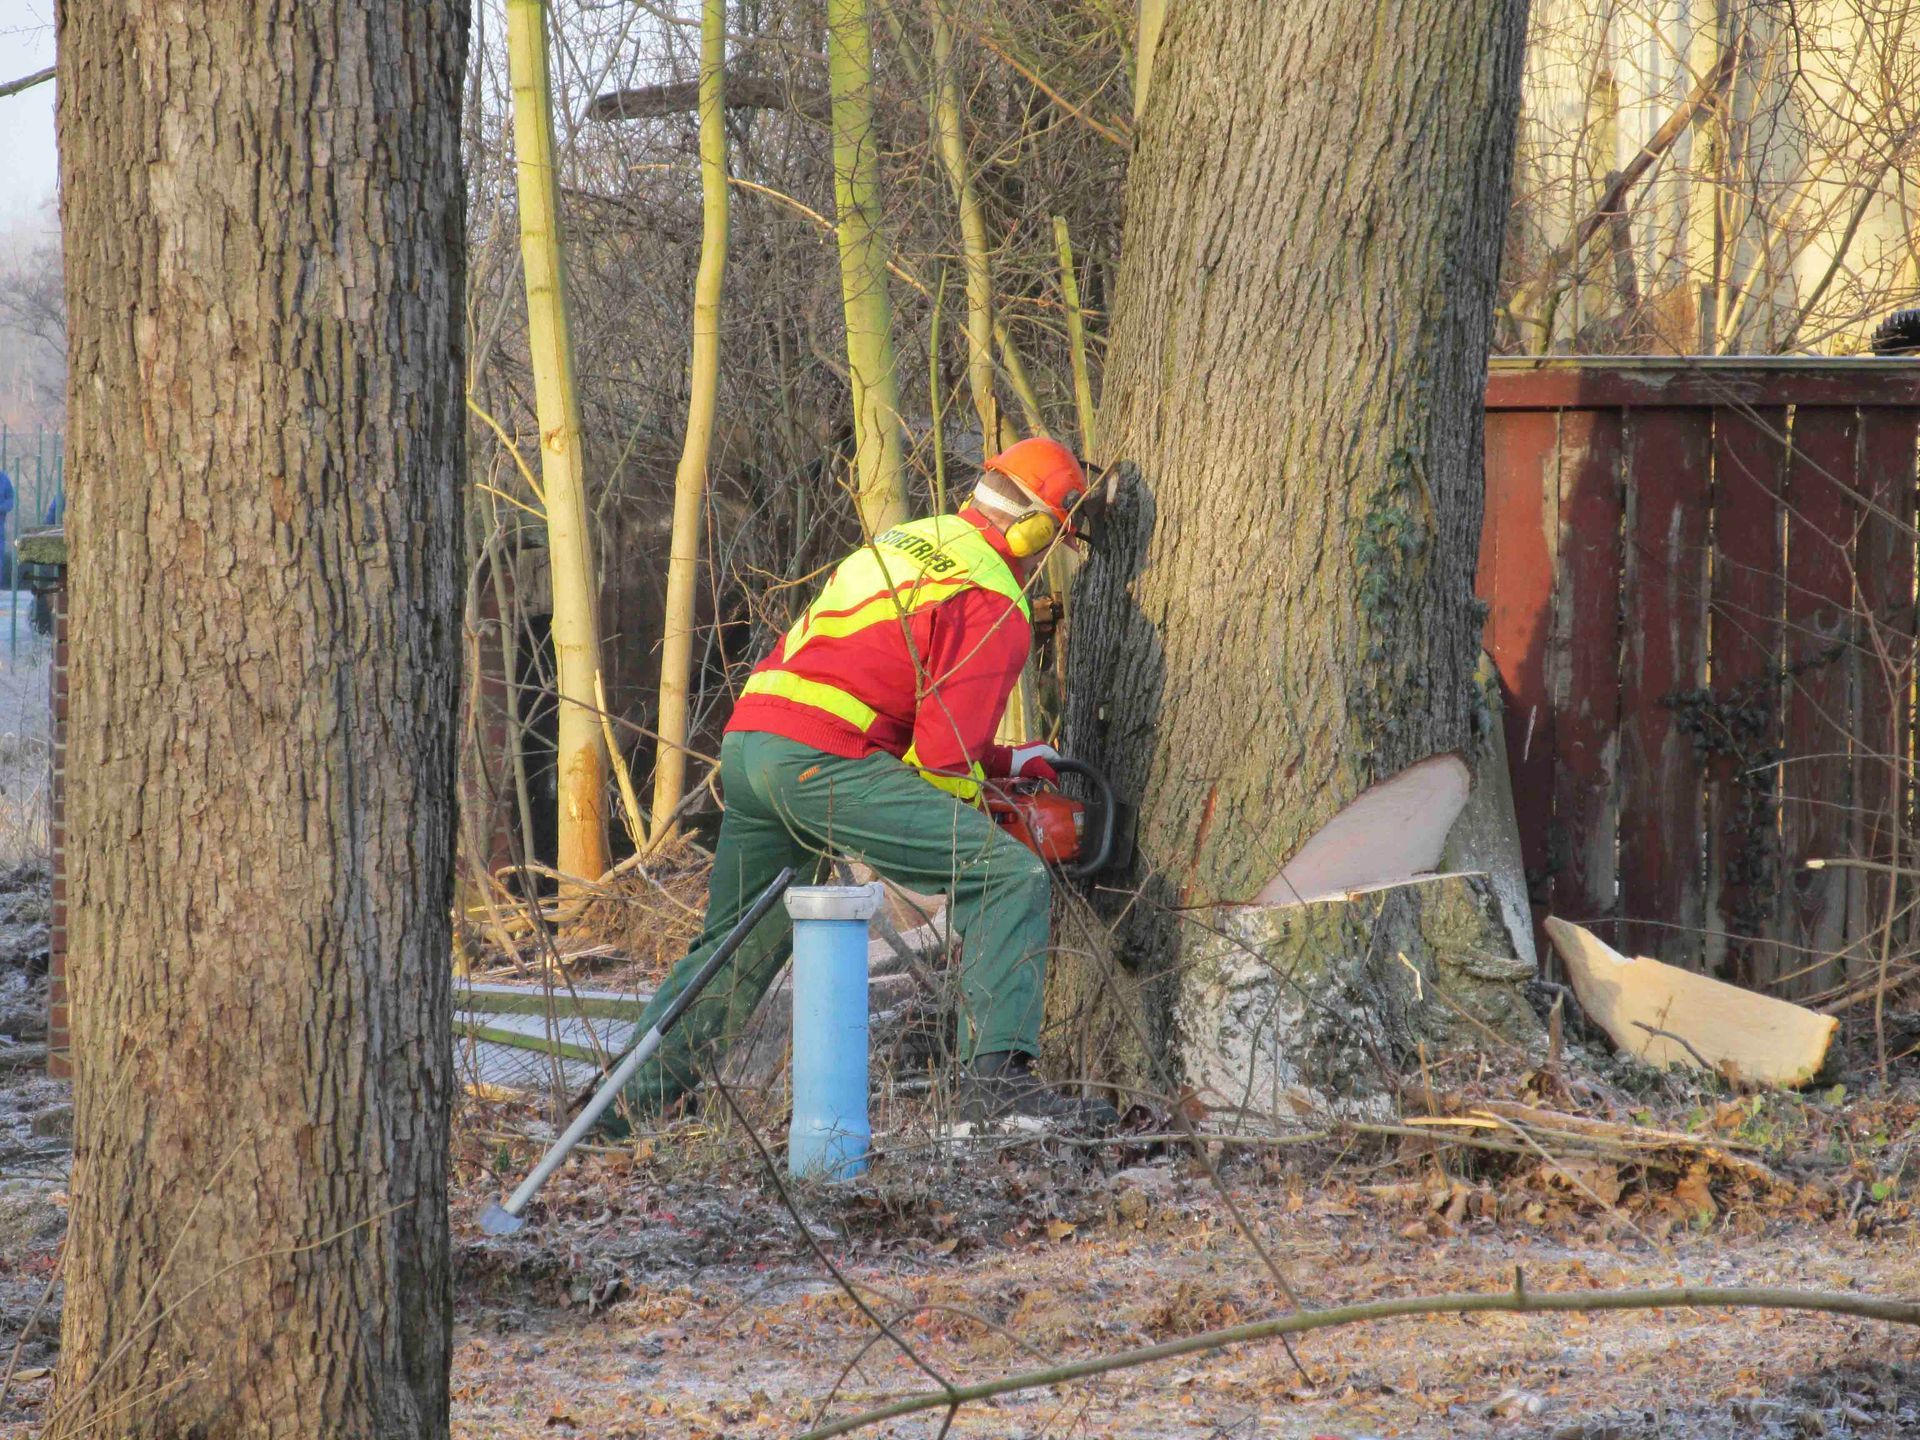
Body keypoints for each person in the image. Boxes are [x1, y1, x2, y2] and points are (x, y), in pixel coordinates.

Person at [611, 438, 1118, 1133]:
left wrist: (1004, 762)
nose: (1045, 557)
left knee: (738, 943)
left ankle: (624, 1112)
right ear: (1035, 526)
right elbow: (942, 764)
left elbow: (904, 703)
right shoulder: (994, 598)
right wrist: (993, 811)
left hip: (754, 744)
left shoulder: (912, 540)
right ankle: (998, 1088)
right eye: (1051, 540)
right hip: (823, 760)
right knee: (1004, 876)